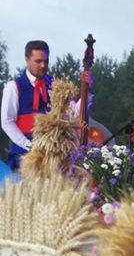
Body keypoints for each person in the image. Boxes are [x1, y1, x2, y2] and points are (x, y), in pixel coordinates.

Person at [1, 40, 93, 172]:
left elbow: (75, 113)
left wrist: (87, 90)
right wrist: (29, 145)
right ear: (27, 59)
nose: (43, 65)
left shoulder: (57, 86)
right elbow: (7, 122)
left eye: (46, 61)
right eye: (38, 61)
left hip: (54, 160)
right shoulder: (14, 86)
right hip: (24, 158)